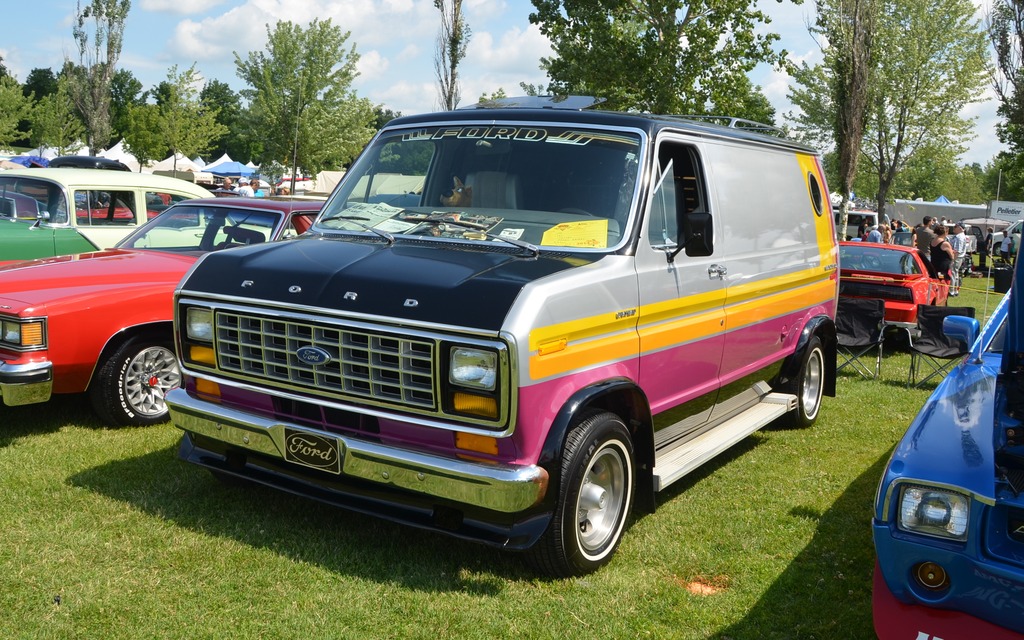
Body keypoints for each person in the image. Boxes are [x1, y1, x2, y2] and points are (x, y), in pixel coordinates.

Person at [930, 225, 955, 290]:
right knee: (944, 281)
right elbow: (952, 256)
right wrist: (952, 252)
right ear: (945, 233)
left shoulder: (932, 241)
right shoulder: (945, 243)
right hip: (943, 266)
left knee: (936, 280)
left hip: (934, 264)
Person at [949, 223, 969, 296]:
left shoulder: (959, 237)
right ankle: (955, 290)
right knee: (956, 274)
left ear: (960, 228)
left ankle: (951, 291)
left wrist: (953, 259)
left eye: (955, 227)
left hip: (957, 257)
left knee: (953, 274)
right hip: (959, 257)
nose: (954, 228)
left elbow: (957, 250)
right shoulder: (961, 236)